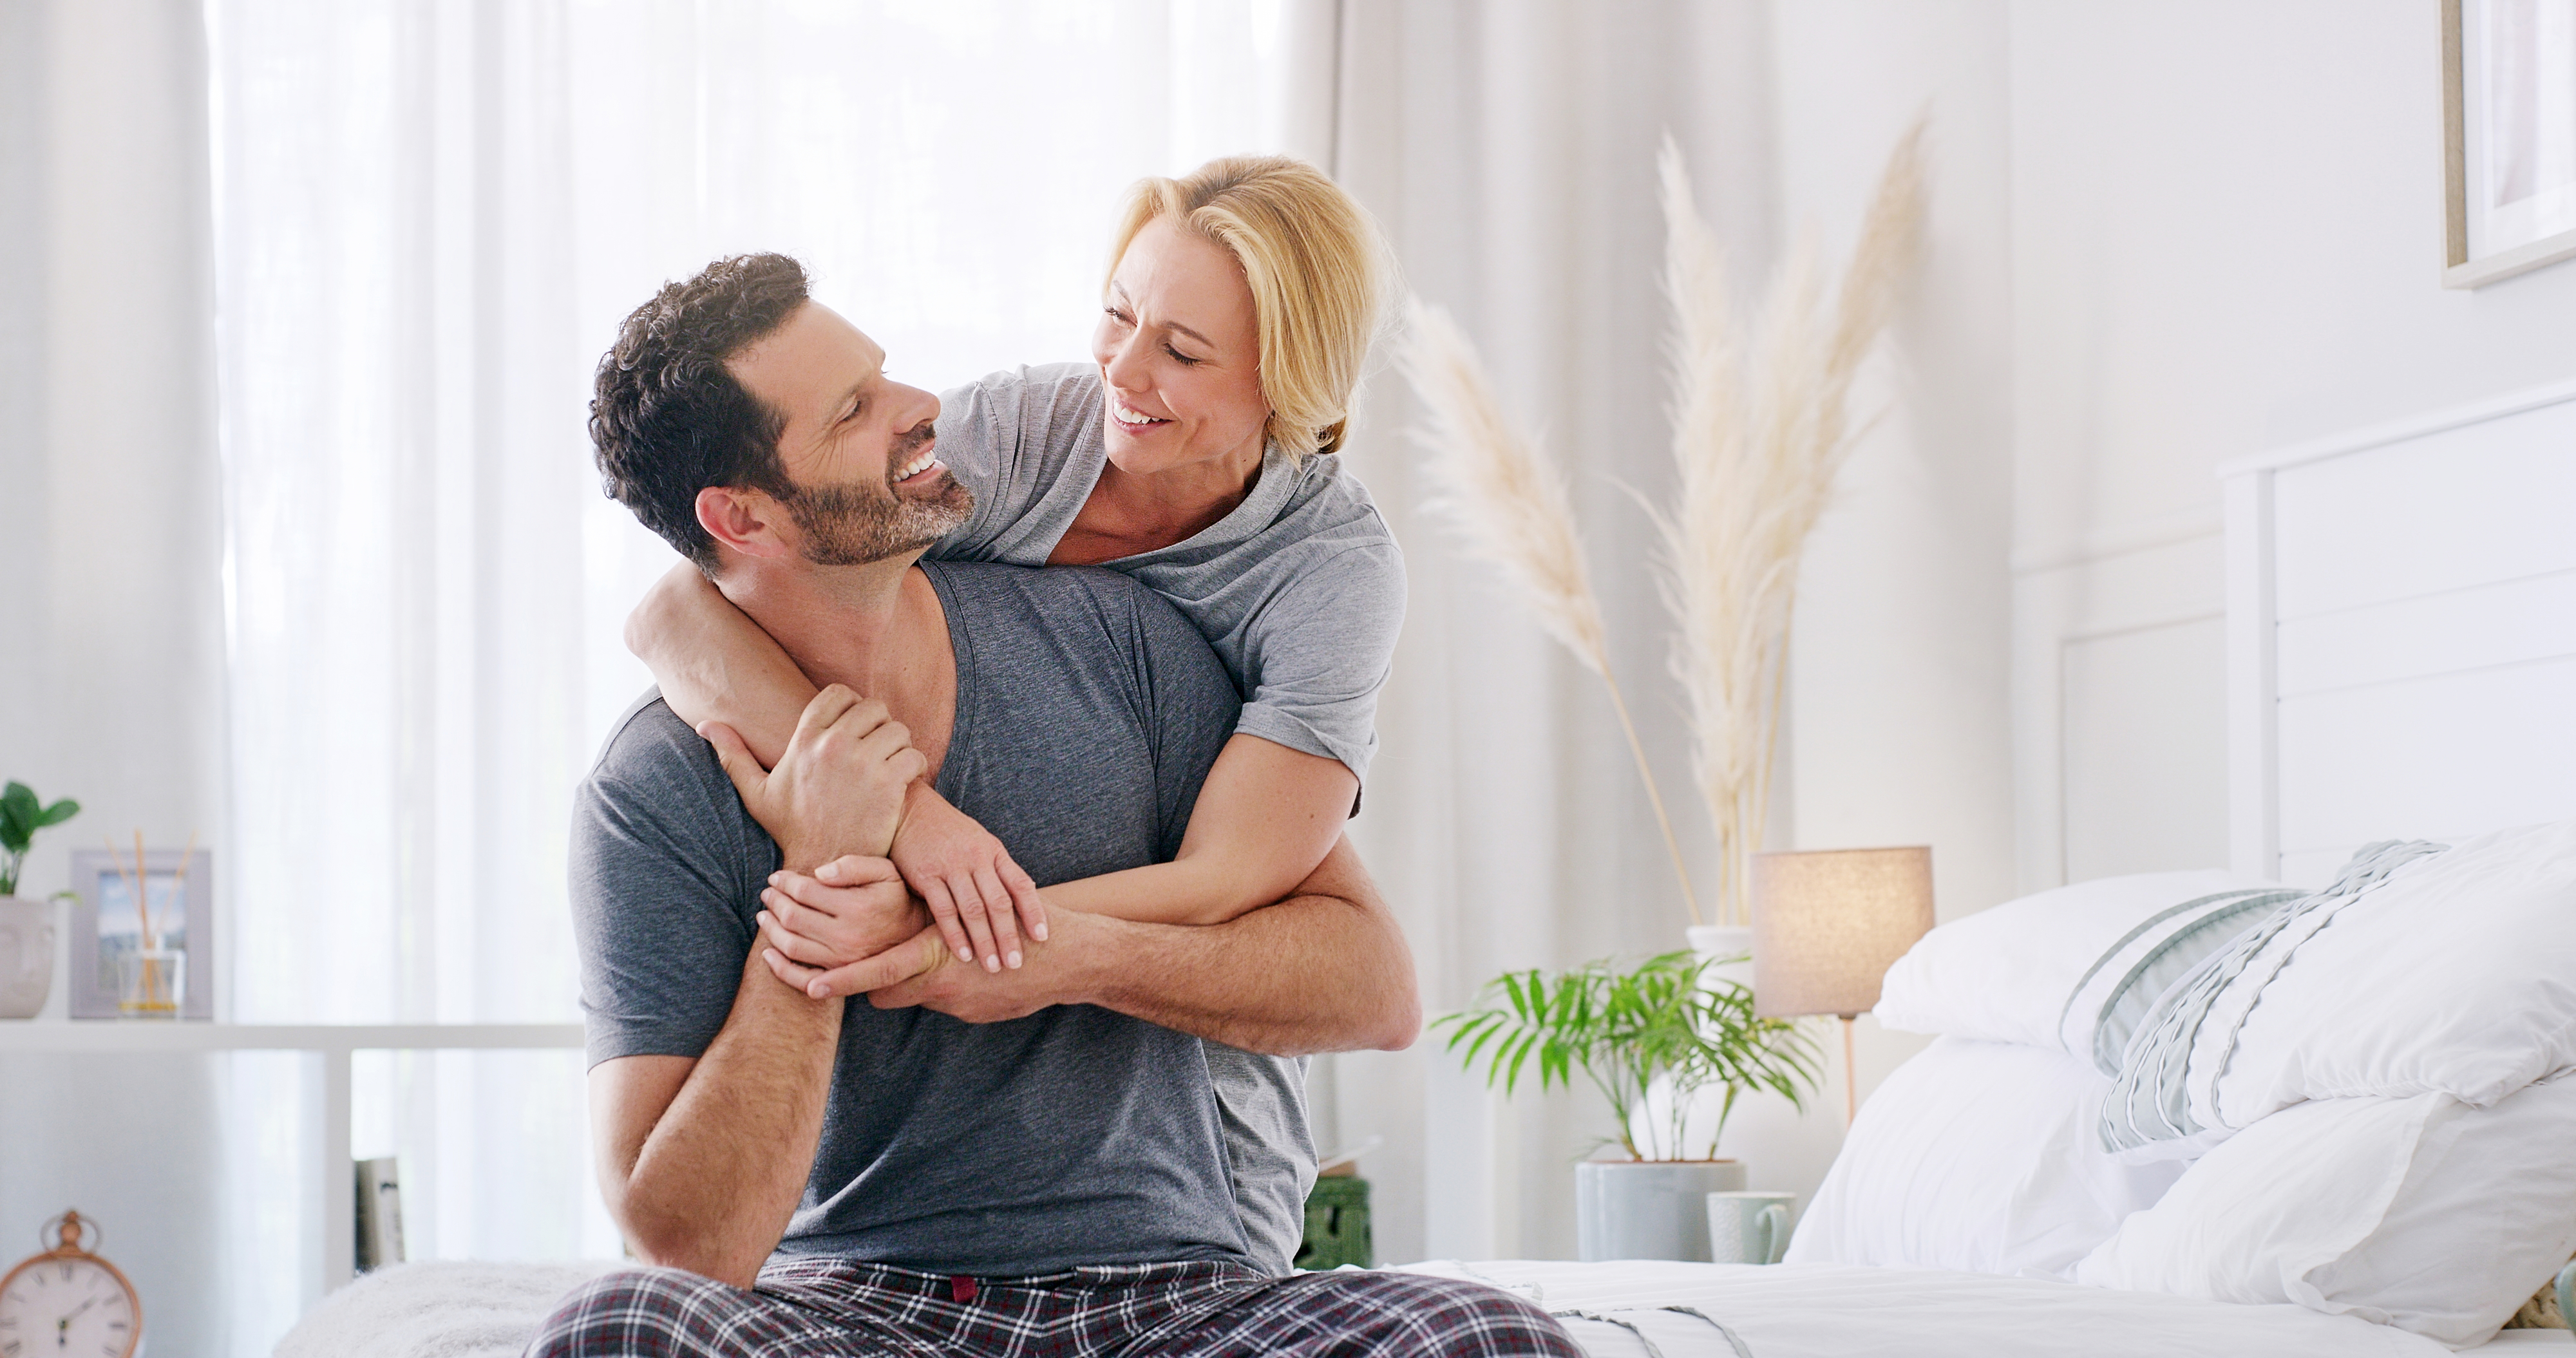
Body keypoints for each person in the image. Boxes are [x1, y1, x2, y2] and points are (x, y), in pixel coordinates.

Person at [531, 254, 1578, 1357]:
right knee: (618, 1326)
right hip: (852, 1307)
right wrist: (820, 874)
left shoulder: (1123, 646)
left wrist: (1053, 951)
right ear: (740, 516)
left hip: (1179, 1298)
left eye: (885, 375)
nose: (922, 406)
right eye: (855, 410)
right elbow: (687, 1250)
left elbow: (1370, 979)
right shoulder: (651, 791)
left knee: (1483, 1330)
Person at [624, 155, 1403, 979]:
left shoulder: (1331, 571)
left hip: (1171, 995)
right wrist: (912, 820)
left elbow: (1224, 877)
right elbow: (678, 610)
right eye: (1118, 314)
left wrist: (933, 919)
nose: (1121, 369)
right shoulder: (1021, 434)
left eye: (1181, 352)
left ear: (1289, 377)